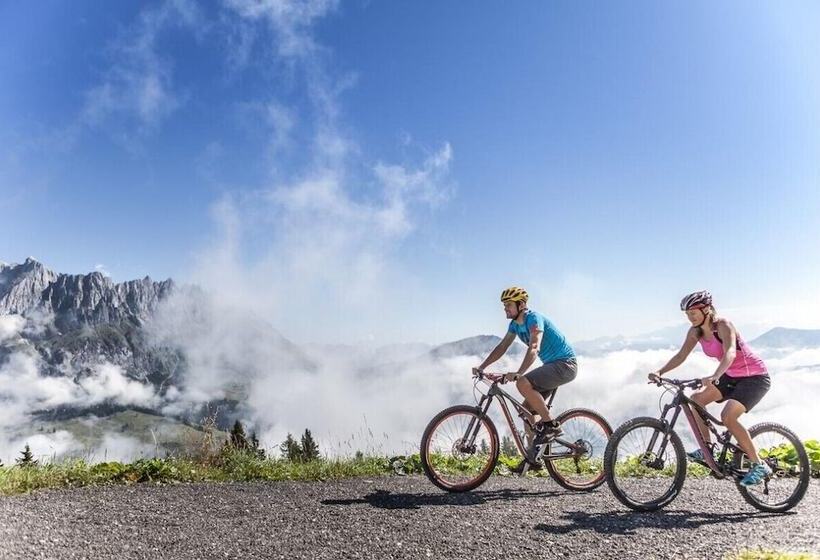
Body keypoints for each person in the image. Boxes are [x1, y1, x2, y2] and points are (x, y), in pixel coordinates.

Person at [648, 290, 772, 486]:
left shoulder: (723, 325)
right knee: (697, 400)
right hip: (730, 376)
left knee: (728, 417)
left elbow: (730, 352)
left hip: (754, 377)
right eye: (687, 314)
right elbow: (681, 356)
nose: (690, 317)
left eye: (693, 313)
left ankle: (759, 465)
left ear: (706, 309)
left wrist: (715, 375)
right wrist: (660, 372)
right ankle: (708, 449)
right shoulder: (695, 331)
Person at [473, 286, 577, 468]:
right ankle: (533, 458)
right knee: (526, 413)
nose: (505, 308)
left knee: (522, 382)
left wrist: (519, 372)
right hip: (552, 367)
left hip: (565, 365)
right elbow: (502, 347)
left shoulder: (533, 319)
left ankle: (551, 425)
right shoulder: (514, 324)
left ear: (521, 305)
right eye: (504, 305)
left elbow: (534, 347)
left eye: (508, 305)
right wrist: (482, 367)